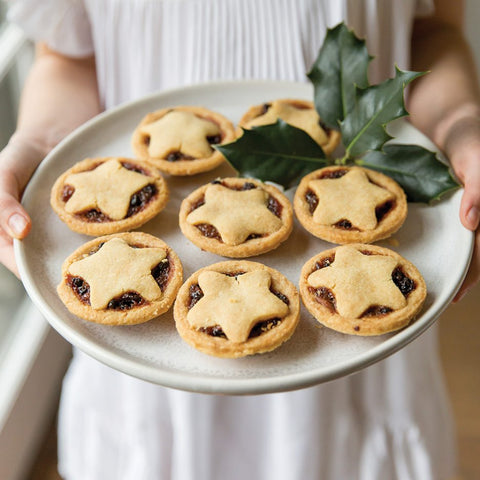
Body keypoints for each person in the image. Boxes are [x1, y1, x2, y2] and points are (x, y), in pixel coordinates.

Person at [1, 0, 479, 479]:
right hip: (145, 373)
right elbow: (65, 56)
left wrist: (461, 123)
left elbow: (435, 31)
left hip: (365, 368)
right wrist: (41, 145)